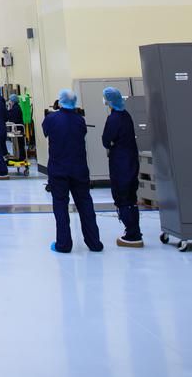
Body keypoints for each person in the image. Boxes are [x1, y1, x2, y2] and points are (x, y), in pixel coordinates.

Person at [42, 89, 103, 254]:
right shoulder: (80, 120)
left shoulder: (51, 119)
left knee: (61, 206)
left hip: (59, 170)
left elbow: (46, 131)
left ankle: (63, 244)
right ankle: (94, 242)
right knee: (85, 204)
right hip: (79, 169)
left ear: (60, 102)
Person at [102, 86, 143, 248]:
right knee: (131, 198)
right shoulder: (126, 116)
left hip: (120, 163)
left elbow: (106, 140)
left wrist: (110, 143)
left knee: (123, 198)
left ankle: (132, 235)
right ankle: (135, 231)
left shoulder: (113, 119)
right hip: (131, 161)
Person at [8, 92, 26, 162]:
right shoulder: (16, 107)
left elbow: (13, 118)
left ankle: (21, 157)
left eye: (10, 100)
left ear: (12, 101)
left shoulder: (15, 108)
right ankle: (18, 156)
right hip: (17, 128)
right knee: (18, 143)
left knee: (19, 144)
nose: (9, 102)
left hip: (18, 129)